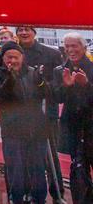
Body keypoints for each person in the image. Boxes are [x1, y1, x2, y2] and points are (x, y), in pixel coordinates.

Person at [0, 41, 51, 204]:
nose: (13, 61)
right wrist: (10, 79)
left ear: (22, 57)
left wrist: (40, 81)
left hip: (36, 130)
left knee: (38, 169)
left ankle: (39, 199)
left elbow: (46, 93)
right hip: (13, 132)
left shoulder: (32, 73)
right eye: (9, 57)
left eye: (16, 57)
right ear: (3, 58)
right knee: (16, 171)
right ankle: (16, 198)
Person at [16, 25, 65, 202]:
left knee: (50, 155)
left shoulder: (50, 54)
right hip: (22, 114)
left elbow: (57, 83)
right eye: (20, 29)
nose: (23, 32)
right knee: (28, 156)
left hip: (46, 113)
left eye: (27, 29)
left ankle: (57, 192)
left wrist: (41, 85)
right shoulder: (13, 54)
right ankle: (32, 193)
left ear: (34, 32)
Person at [51, 32, 93, 204]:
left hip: (91, 127)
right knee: (78, 172)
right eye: (67, 46)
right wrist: (67, 87)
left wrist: (86, 85)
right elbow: (56, 97)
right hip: (73, 129)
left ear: (83, 47)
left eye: (74, 45)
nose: (70, 49)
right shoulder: (60, 70)